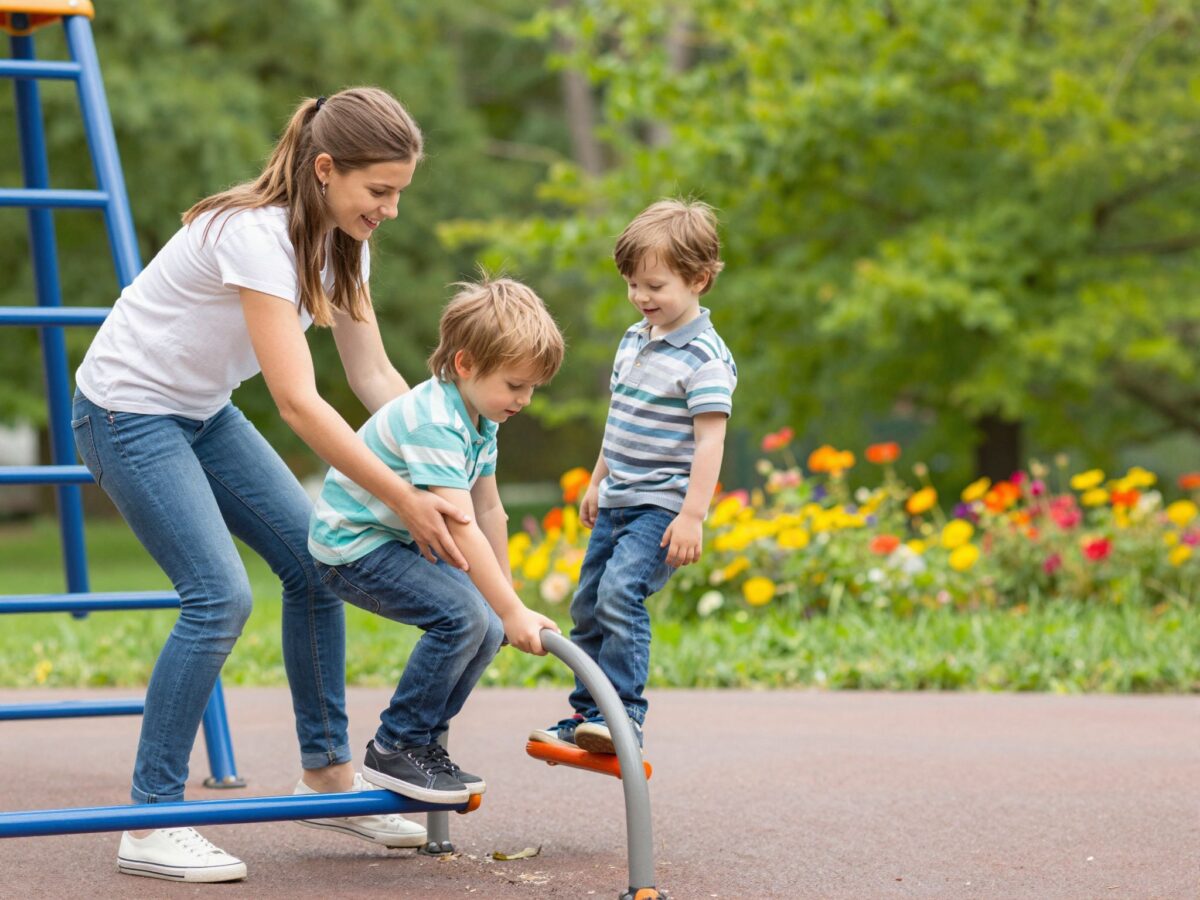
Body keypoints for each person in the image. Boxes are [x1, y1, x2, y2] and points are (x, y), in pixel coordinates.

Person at [72, 87, 470, 883]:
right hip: (125, 412)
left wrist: (441, 466)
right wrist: (401, 498)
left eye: (399, 192)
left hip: (200, 411)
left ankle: (325, 774)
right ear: (325, 170)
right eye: (379, 191)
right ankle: (149, 819)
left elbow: (371, 373)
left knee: (315, 560)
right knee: (219, 597)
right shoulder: (256, 237)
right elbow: (297, 401)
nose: (390, 210)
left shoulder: (345, 241)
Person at [309, 275, 562, 803]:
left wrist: (508, 602)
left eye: (533, 387)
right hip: (352, 547)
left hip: (396, 540)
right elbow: (460, 524)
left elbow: (491, 509)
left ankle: (419, 745)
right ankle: (397, 744)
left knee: (487, 624)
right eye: (515, 385)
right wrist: (508, 609)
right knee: (463, 617)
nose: (526, 399)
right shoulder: (435, 421)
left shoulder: (481, 418)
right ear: (466, 364)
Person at [529, 199, 737, 755]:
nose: (641, 297)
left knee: (621, 593)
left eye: (654, 286)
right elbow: (618, 420)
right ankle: (587, 715)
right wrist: (597, 480)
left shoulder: (705, 358)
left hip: (662, 508)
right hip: (618, 498)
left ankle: (624, 717)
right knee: (588, 603)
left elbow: (710, 440)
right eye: (632, 285)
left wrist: (693, 515)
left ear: (698, 279)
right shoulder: (633, 339)